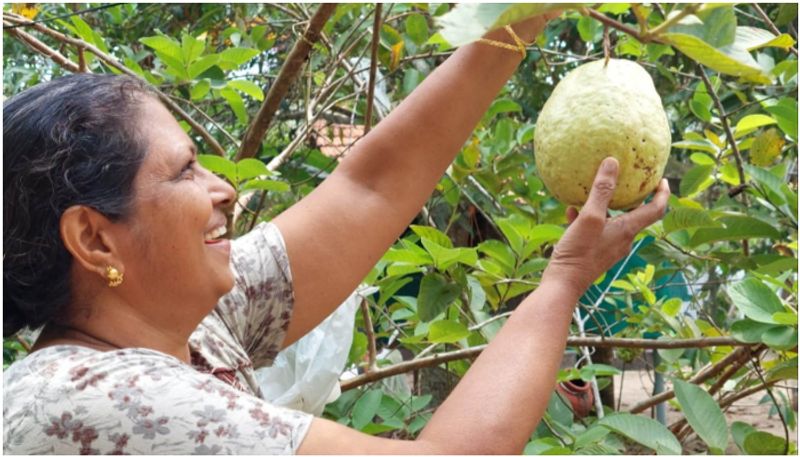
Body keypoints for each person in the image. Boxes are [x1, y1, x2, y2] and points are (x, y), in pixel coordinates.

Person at [3, 12, 669, 454]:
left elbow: (368, 190)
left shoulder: (185, 324)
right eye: (184, 171)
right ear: (94, 239)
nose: (223, 190)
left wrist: (517, 17)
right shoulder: (92, 401)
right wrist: (563, 280)